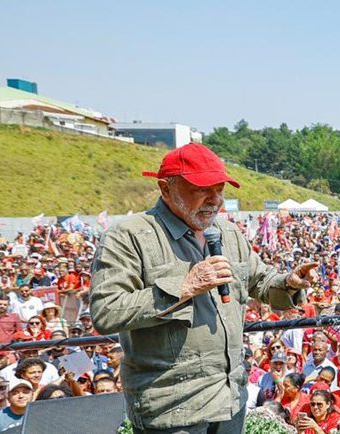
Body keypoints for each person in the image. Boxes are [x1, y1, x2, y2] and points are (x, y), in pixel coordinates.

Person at [90, 143, 319, 433]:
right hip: (173, 409)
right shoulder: (129, 237)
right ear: (165, 188)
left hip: (229, 400)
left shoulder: (227, 233)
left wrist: (287, 283)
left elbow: (260, 281)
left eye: (220, 189)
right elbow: (106, 312)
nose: (216, 200)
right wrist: (183, 287)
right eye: (202, 189)